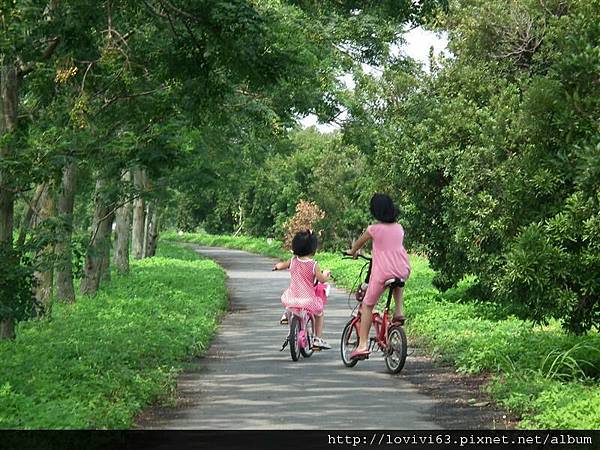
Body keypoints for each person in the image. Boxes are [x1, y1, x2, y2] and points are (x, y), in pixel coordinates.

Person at [346, 193, 411, 359]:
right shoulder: (399, 228)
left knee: (367, 305)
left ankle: (362, 345)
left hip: (383, 273)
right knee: (398, 283)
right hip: (402, 268)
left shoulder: (373, 230)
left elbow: (358, 244)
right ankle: (399, 311)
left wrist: (352, 252)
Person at [273, 229, 332, 349]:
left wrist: (276, 267)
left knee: (290, 304)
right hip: (308, 300)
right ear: (313, 248)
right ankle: (317, 339)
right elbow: (321, 279)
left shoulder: (293, 261)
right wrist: (326, 274)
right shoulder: (313, 264)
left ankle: (286, 314)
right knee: (319, 314)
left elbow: (281, 265)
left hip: (292, 297)